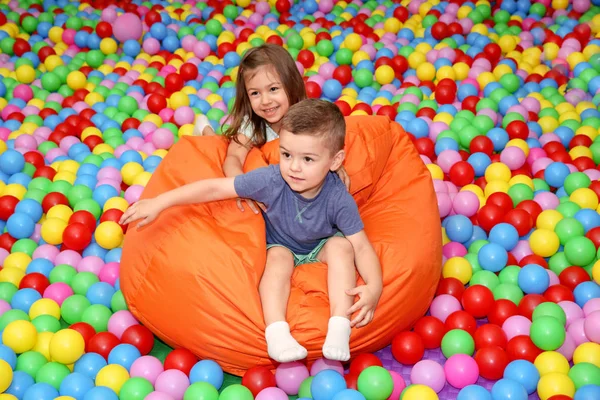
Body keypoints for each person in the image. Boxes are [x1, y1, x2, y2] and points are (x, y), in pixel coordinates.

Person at [120, 99, 383, 363]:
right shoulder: (271, 180)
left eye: (308, 159)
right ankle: (276, 332)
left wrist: (374, 287)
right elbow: (215, 188)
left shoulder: (338, 197)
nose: (294, 167)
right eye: (287, 154)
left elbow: (361, 246)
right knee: (278, 259)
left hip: (320, 244)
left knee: (342, 247)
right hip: (280, 244)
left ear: (335, 161)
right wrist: (160, 202)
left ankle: (339, 326)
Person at [192, 43, 350, 213]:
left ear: (291, 85)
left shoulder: (307, 118)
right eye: (255, 93)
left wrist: (333, 165)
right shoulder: (253, 123)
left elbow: (324, 145)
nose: (265, 100)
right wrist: (242, 188)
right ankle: (204, 128)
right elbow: (234, 157)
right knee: (219, 146)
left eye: (273, 89)